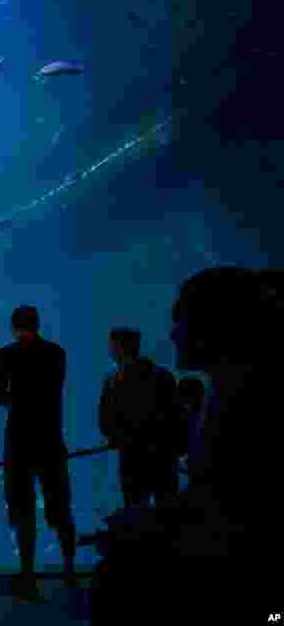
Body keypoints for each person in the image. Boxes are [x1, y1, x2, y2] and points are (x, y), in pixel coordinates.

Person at [90, 267, 280, 625]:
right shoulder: (223, 393)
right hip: (159, 463)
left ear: (217, 326)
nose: (173, 334)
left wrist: (148, 528)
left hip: (228, 558)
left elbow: (229, 510)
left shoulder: (242, 401)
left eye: (182, 321)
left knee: (116, 579)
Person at [0, 306, 77, 600]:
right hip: (51, 438)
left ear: (13, 327)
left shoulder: (7, 355)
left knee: (22, 509)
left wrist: (15, 394)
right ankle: (70, 569)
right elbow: (56, 389)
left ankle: (27, 574)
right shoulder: (57, 353)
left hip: (19, 440)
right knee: (60, 506)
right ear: (38, 324)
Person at [99, 328, 181, 508]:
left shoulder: (113, 380)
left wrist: (116, 438)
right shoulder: (163, 376)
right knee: (168, 512)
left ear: (116, 348)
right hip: (164, 456)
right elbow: (176, 415)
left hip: (132, 458)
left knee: (135, 510)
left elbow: (105, 420)